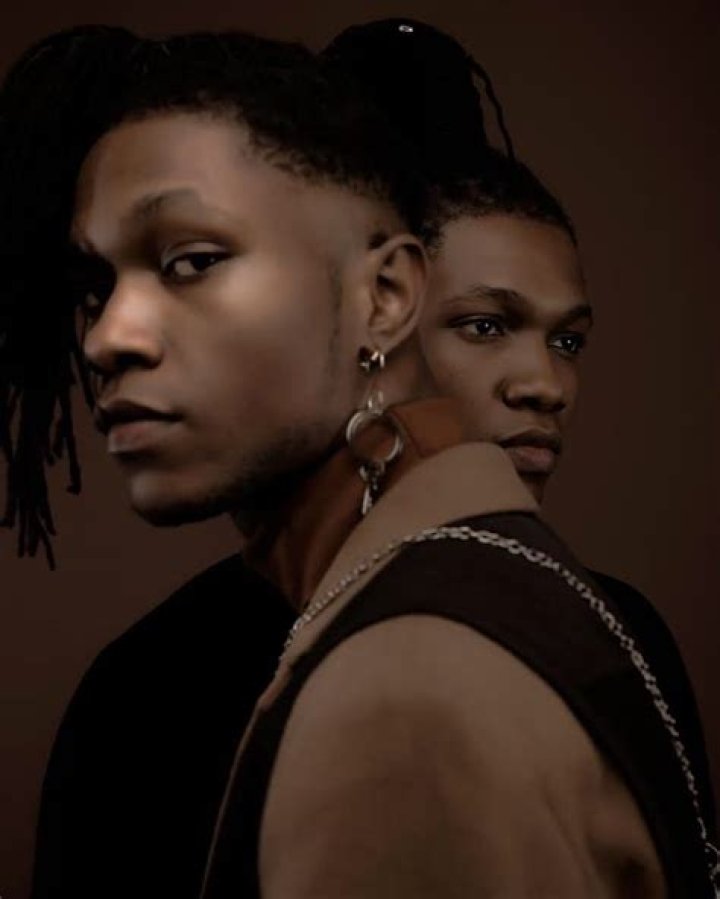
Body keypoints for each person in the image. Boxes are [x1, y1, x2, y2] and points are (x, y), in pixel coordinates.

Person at [3, 22, 713, 899]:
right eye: (95, 289)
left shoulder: (409, 681)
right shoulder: (158, 688)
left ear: (386, 298)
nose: (109, 336)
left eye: (193, 261)